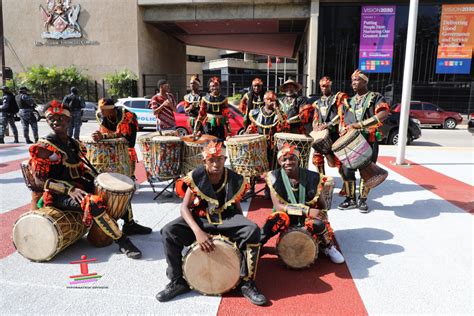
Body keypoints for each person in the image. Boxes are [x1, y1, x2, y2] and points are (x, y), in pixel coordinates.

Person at [28, 100, 144, 259]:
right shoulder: (44, 147)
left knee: (117, 189)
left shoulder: (73, 143)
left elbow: (79, 169)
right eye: (51, 118)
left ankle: (130, 224)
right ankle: (122, 241)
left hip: (78, 187)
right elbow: (39, 182)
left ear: (69, 120)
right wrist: (69, 190)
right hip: (58, 195)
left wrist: (98, 179)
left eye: (60, 118)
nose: (56, 121)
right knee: (94, 202)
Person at [156, 141, 267, 306]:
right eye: (211, 160)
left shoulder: (235, 178)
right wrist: (197, 232)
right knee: (169, 231)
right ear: (204, 161)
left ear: (225, 159)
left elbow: (237, 209)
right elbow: (184, 208)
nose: (215, 163)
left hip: (226, 219)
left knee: (252, 231)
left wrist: (238, 232)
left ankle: (246, 282)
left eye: (219, 159)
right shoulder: (196, 176)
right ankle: (177, 280)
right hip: (201, 219)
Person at [260, 143, 345, 264]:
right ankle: (257, 244)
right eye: (284, 159)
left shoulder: (313, 177)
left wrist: (322, 217)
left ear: (298, 160)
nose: (288, 162)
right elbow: (279, 206)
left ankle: (327, 246)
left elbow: (322, 205)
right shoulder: (274, 177)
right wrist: (307, 210)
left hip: (307, 219)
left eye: (292, 159)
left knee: (317, 223)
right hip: (287, 216)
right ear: (279, 162)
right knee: (274, 219)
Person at [92, 98, 152, 234]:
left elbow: (128, 141)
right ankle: (113, 221)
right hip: (108, 155)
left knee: (126, 186)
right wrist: (97, 136)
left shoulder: (128, 116)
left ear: (112, 109)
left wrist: (104, 136)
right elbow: (103, 133)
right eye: (100, 110)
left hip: (125, 155)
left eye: (104, 110)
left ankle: (129, 223)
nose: (101, 113)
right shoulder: (100, 115)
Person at [338, 69, 390, 213]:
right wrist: (342, 129)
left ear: (365, 81)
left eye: (356, 80)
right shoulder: (348, 101)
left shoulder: (375, 97)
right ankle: (350, 199)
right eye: (352, 80)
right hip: (351, 142)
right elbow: (343, 120)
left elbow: (384, 113)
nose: (353, 83)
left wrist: (360, 125)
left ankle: (362, 200)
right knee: (347, 170)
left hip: (369, 139)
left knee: (366, 170)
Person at [246, 90, 289, 197]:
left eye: (273, 100)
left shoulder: (279, 113)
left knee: (272, 166)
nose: (271, 101)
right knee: (255, 166)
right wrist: (248, 132)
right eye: (268, 99)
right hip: (260, 143)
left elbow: (283, 125)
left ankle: (268, 188)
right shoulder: (256, 112)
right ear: (264, 100)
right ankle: (251, 188)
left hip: (273, 144)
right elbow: (252, 127)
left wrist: (277, 109)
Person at [311, 77, 347, 175]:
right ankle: (322, 180)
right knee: (317, 156)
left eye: (326, 86)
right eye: (322, 86)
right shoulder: (317, 102)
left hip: (334, 133)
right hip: (322, 134)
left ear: (330, 86)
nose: (324, 88)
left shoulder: (337, 98)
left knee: (339, 159)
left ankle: (345, 182)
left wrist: (328, 124)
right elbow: (315, 117)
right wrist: (315, 126)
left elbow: (340, 115)